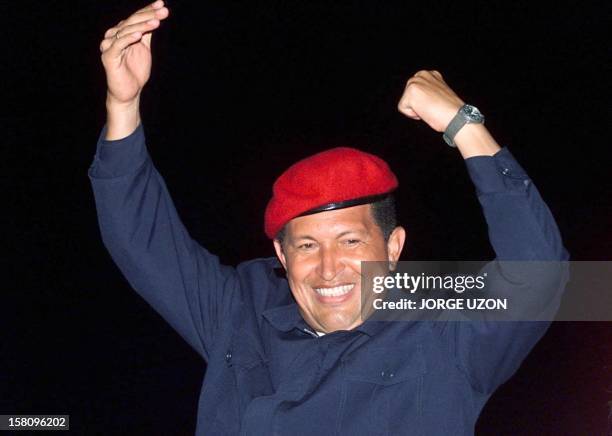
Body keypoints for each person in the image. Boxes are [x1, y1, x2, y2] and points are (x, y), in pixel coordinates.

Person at [90, 1, 569, 434]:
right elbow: (139, 240)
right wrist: (124, 105)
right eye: (306, 245)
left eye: (351, 242)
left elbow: (541, 275)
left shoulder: (443, 329)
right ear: (281, 252)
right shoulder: (240, 311)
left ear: (394, 247)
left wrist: (463, 125)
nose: (328, 267)